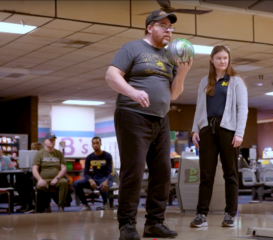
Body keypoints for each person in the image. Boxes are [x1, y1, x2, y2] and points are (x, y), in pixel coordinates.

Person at [105, 9, 192, 240]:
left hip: (161, 119)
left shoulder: (170, 57)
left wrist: (181, 73)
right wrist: (132, 92)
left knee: (163, 173)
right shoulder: (132, 48)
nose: (169, 30)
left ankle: (155, 222)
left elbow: (174, 95)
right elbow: (112, 75)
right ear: (149, 27)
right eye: (164, 25)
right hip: (132, 115)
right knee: (133, 172)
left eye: (171, 27)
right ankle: (127, 225)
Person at [190, 45, 248, 228]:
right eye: (219, 58)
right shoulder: (204, 82)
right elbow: (199, 107)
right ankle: (201, 214)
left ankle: (230, 213)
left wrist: (239, 133)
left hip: (228, 131)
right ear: (212, 60)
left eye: (225, 58)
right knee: (206, 174)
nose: (223, 61)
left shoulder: (236, 81)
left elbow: (242, 109)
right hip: (207, 130)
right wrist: (195, 129)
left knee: (230, 174)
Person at [73, 137, 114, 211]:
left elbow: (111, 172)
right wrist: (90, 180)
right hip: (95, 179)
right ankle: (86, 205)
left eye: (97, 143)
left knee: (103, 185)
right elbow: (86, 173)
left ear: (100, 144)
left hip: (106, 178)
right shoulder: (89, 157)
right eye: (94, 143)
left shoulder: (107, 156)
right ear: (92, 145)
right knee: (76, 183)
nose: (96, 145)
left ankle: (105, 203)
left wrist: (107, 181)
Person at [32, 133, 68, 212]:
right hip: (44, 179)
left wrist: (57, 178)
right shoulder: (39, 153)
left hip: (57, 179)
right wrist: (40, 179)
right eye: (50, 140)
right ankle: (46, 206)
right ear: (45, 141)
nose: (52, 142)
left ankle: (61, 206)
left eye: (53, 140)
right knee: (40, 187)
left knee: (64, 182)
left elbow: (64, 169)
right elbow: (34, 169)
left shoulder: (59, 153)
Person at [14, 142, 43, 213]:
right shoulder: (32, 156)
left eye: (32, 149)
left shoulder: (42, 156)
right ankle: (27, 204)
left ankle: (27, 204)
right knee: (20, 181)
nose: (31, 150)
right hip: (31, 175)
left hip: (39, 177)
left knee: (22, 184)